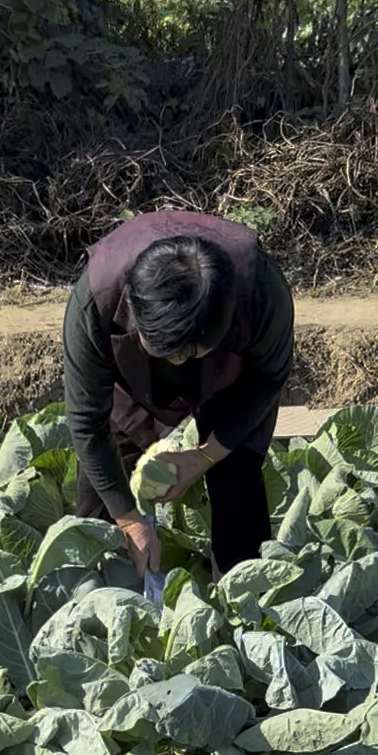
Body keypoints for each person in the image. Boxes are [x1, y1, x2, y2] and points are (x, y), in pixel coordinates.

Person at [63, 209, 295, 582]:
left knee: (236, 476)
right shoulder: (95, 300)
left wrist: (204, 457)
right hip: (132, 378)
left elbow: (267, 379)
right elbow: (86, 421)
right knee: (104, 492)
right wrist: (128, 518)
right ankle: (95, 599)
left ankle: (240, 603)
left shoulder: (262, 291)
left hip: (229, 378)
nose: (179, 362)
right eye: (168, 351)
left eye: (191, 353)